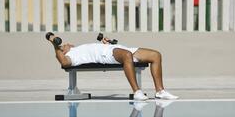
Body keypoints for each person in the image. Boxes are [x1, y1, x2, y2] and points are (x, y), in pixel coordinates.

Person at [47, 34, 178, 100]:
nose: (67, 44)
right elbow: (64, 63)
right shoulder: (73, 55)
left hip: (116, 49)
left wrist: (105, 43)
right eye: (63, 46)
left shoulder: (80, 47)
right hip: (106, 55)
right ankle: (137, 92)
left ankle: (160, 91)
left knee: (156, 55)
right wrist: (54, 45)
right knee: (126, 55)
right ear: (63, 51)